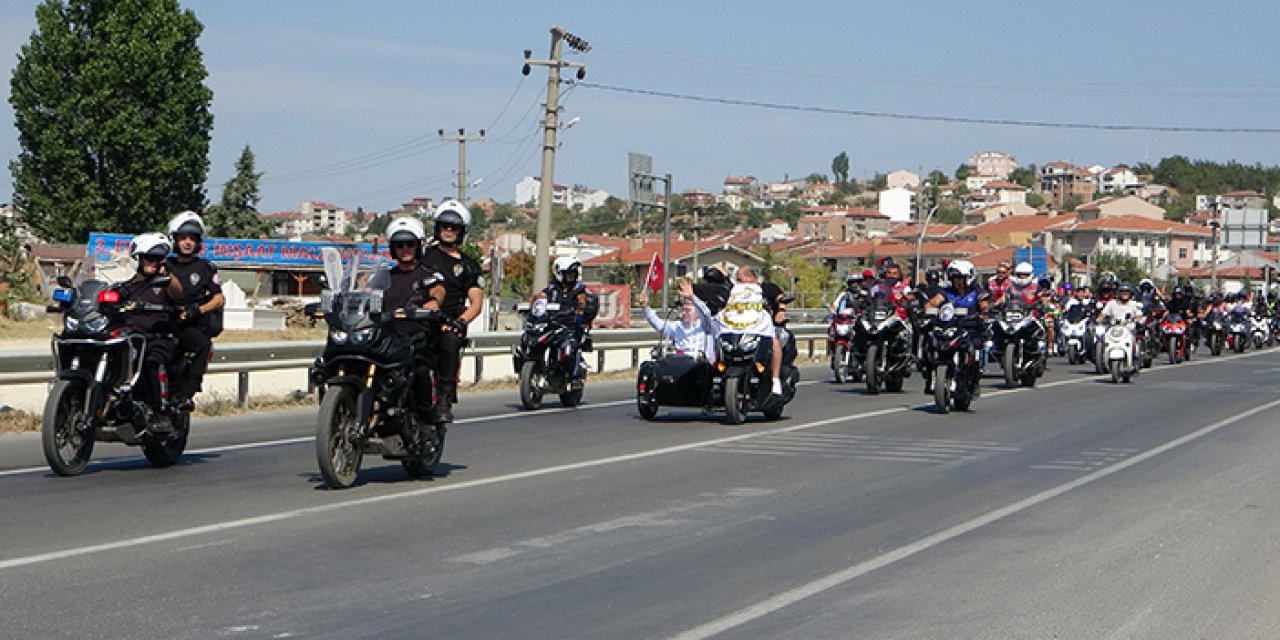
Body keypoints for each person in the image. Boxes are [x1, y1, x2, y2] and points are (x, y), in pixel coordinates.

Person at [368, 217, 447, 422]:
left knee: (420, 370)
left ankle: (427, 416)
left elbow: (438, 291)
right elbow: (365, 291)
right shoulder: (383, 276)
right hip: (384, 337)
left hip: (414, 337)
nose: (405, 249)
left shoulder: (429, 274)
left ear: (419, 246)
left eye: (409, 244)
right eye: (399, 245)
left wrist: (432, 303)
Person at [419, 200, 484, 423]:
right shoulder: (423, 256)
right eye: (444, 226)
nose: (448, 231)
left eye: (453, 227)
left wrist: (461, 322)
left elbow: (476, 301)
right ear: (437, 228)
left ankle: (444, 399)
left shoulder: (469, 265)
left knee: (448, 342)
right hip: (419, 318)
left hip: (449, 321)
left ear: (462, 231)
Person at [117, 232, 184, 430]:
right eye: (149, 258)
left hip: (157, 337)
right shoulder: (127, 287)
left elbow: (177, 292)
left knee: (151, 361)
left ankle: (160, 412)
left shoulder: (164, 284)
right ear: (137, 259)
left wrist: (168, 276)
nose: (153, 263)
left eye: (158, 258)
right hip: (130, 338)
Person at [163, 211, 224, 410]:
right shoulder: (164, 265)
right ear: (175, 240)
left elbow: (218, 298)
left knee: (202, 345)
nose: (187, 242)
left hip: (187, 323)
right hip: (161, 319)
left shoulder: (205, 267)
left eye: (192, 238)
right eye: (183, 238)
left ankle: (187, 393)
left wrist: (197, 310)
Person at [693, 265, 784, 397]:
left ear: (751, 278)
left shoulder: (766, 288)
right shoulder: (733, 290)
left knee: (775, 342)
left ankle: (775, 380)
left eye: (740, 280)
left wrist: (781, 311)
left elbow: (780, 297)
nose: (738, 283)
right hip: (739, 329)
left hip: (762, 328)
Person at [922, 259, 988, 394]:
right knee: (929, 342)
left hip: (970, 328)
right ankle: (929, 377)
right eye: (954, 278)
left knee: (975, 349)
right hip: (950, 327)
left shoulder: (976, 291)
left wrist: (983, 311)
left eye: (960, 278)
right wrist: (927, 308)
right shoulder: (947, 292)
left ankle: (974, 381)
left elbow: (984, 303)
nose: (957, 281)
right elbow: (934, 302)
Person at [535, 255, 597, 376]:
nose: (571, 276)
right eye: (568, 273)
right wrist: (528, 304)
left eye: (573, 273)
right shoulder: (552, 288)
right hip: (551, 324)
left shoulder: (579, 289)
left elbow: (584, 301)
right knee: (533, 341)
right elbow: (540, 297)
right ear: (559, 273)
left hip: (570, 327)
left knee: (568, 350)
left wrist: (580, 309)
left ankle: (568, 375)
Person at [638, 287, 714, 358]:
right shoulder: (677, 326)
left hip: (699, 363)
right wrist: (645, 307)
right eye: (683, 310)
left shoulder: (704, 325)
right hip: (680, 361)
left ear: (697, 312)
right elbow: (659, 325)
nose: (684, 313)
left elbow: (706, 313)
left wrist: (692, 297)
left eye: (687, 310)